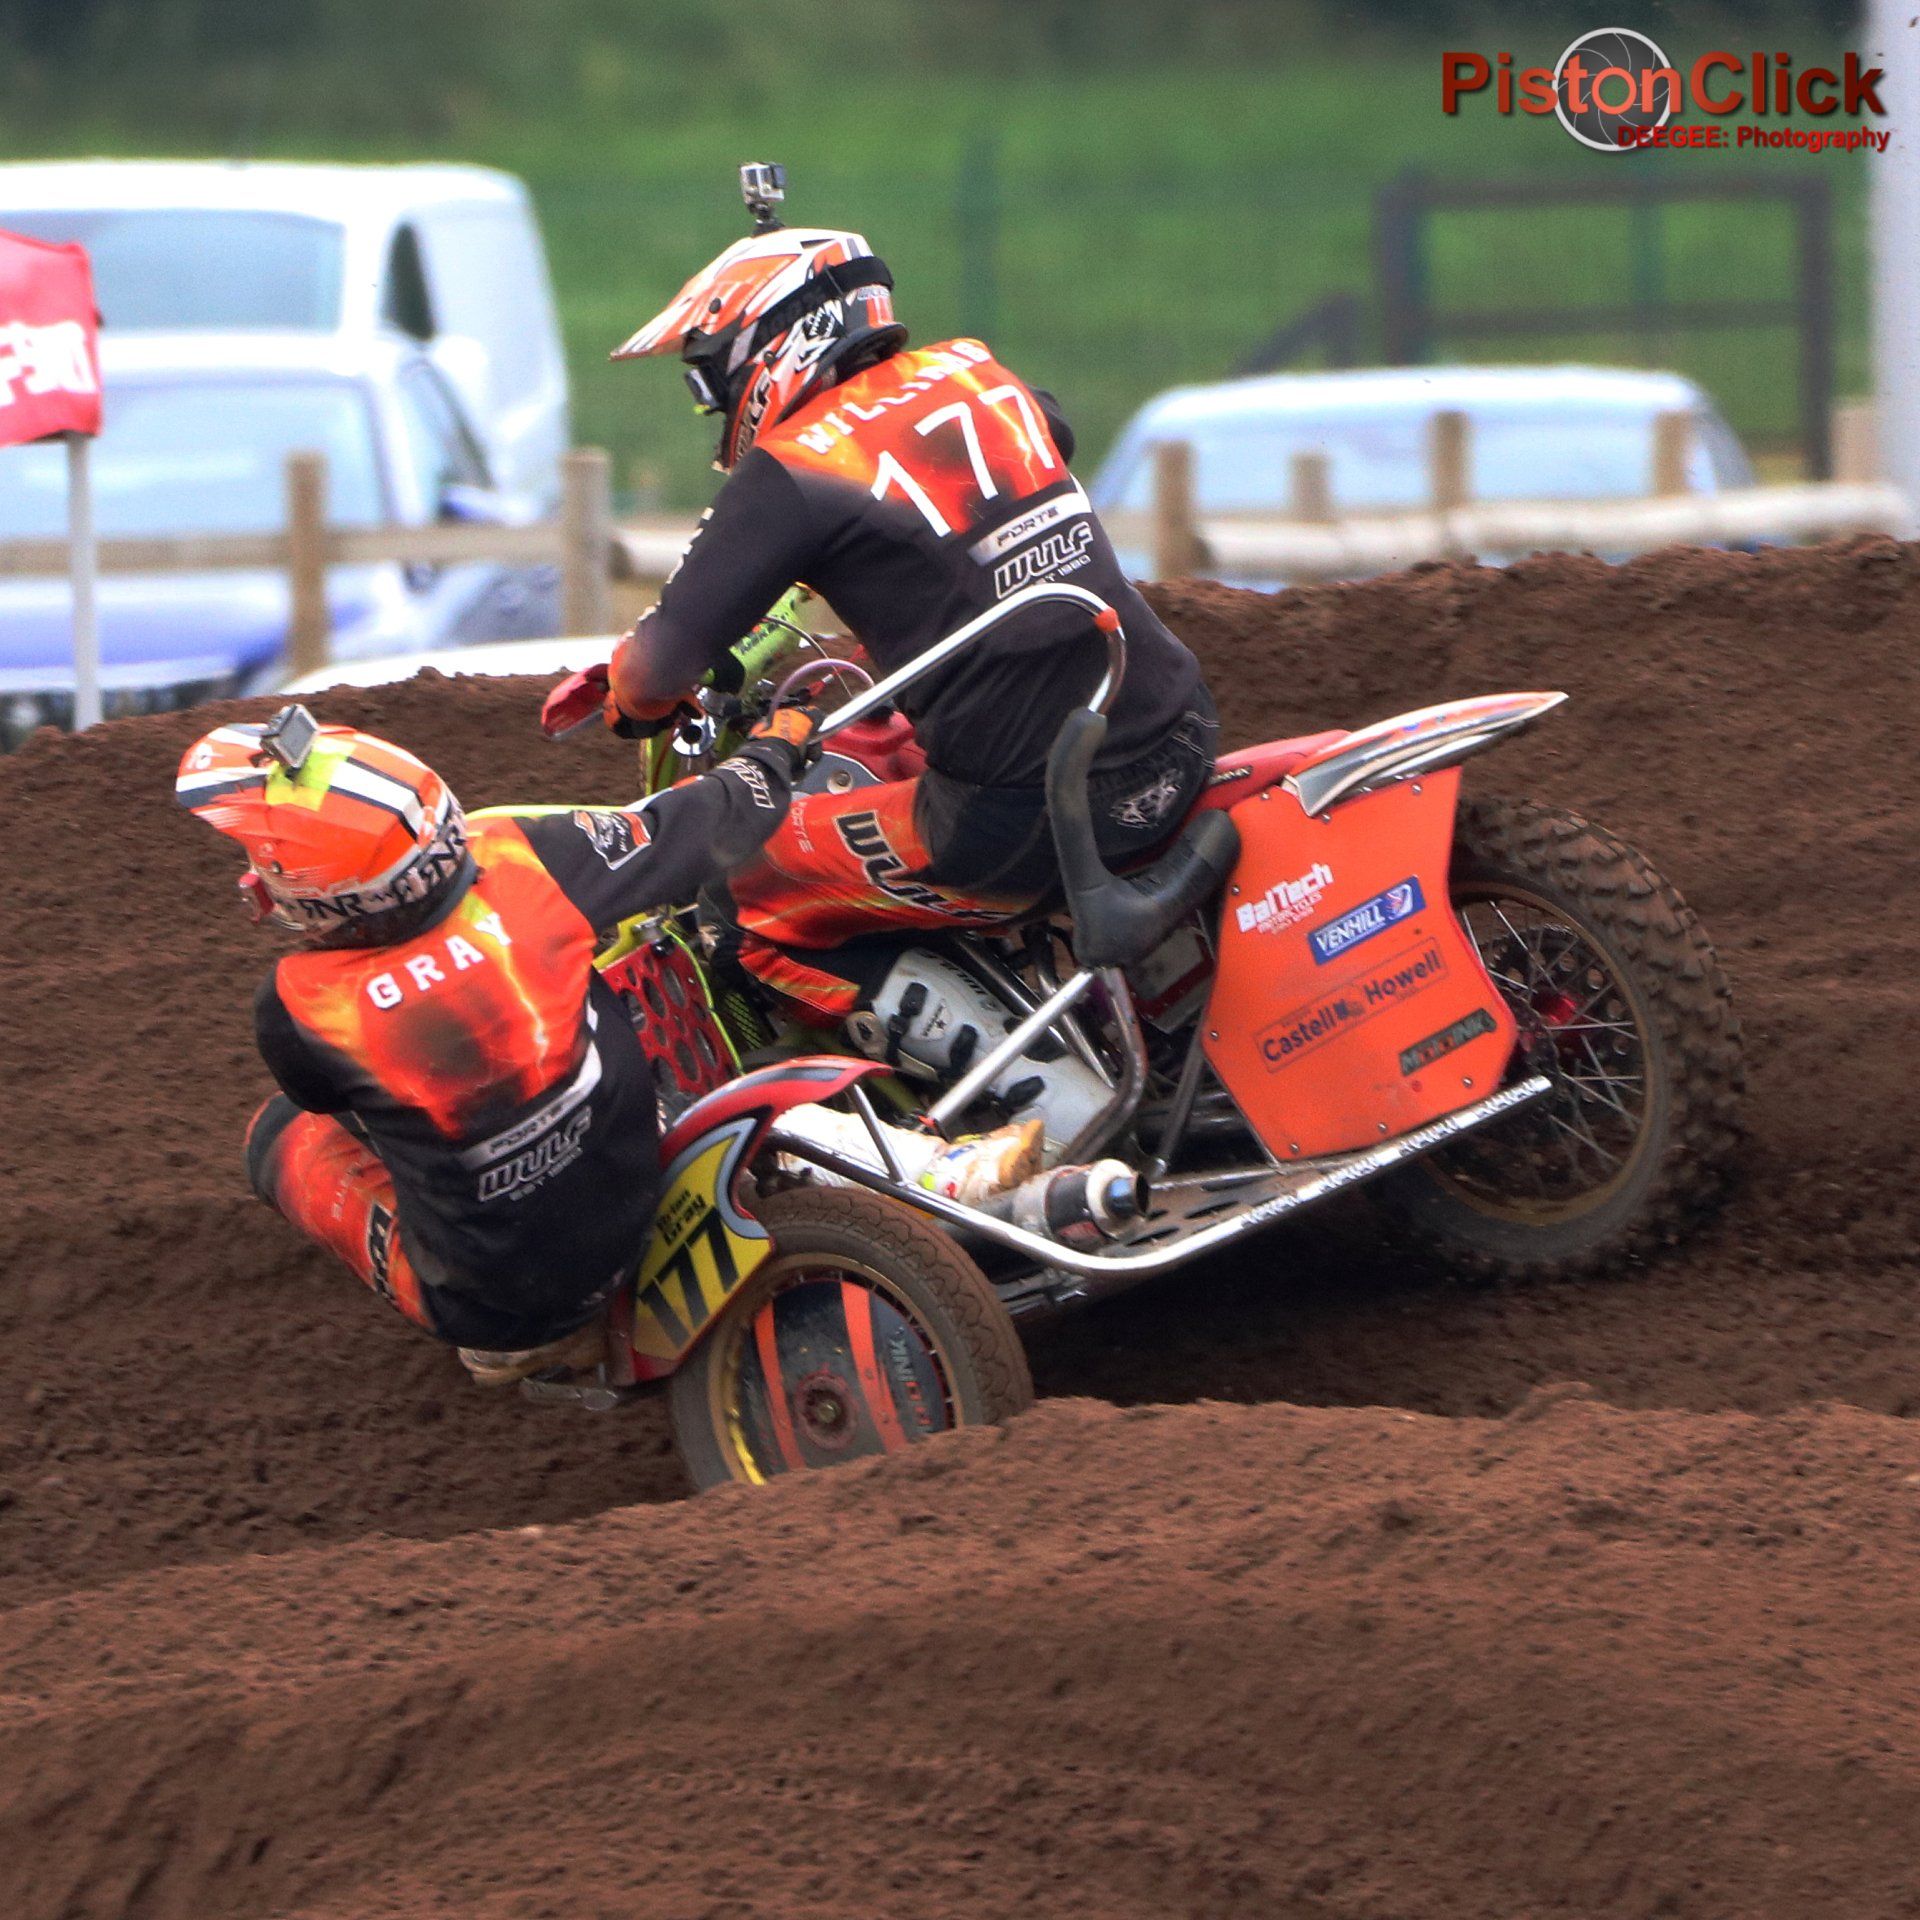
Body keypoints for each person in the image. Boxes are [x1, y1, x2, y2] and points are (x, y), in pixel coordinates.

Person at [542, 166, 1218, 1034]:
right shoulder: (978, 372)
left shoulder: (798, 465)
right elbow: (1046, 438)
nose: (715, 405)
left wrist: (634, 697)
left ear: (769, 340)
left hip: (1027, 815)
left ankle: (1019, 1106)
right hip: (1178, 731)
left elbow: (649, 676)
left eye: (712, 380)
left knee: (735, 891)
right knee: (889, 763)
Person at [176, 700, 813, 1384]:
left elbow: (327, 1102)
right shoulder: (524, 855)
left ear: (321, 893)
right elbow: (700, 821)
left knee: (278, 1133)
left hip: (504, 1305)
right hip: (647, 1181)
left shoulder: (298, 1003)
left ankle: (526, 1341)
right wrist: (774, 748)